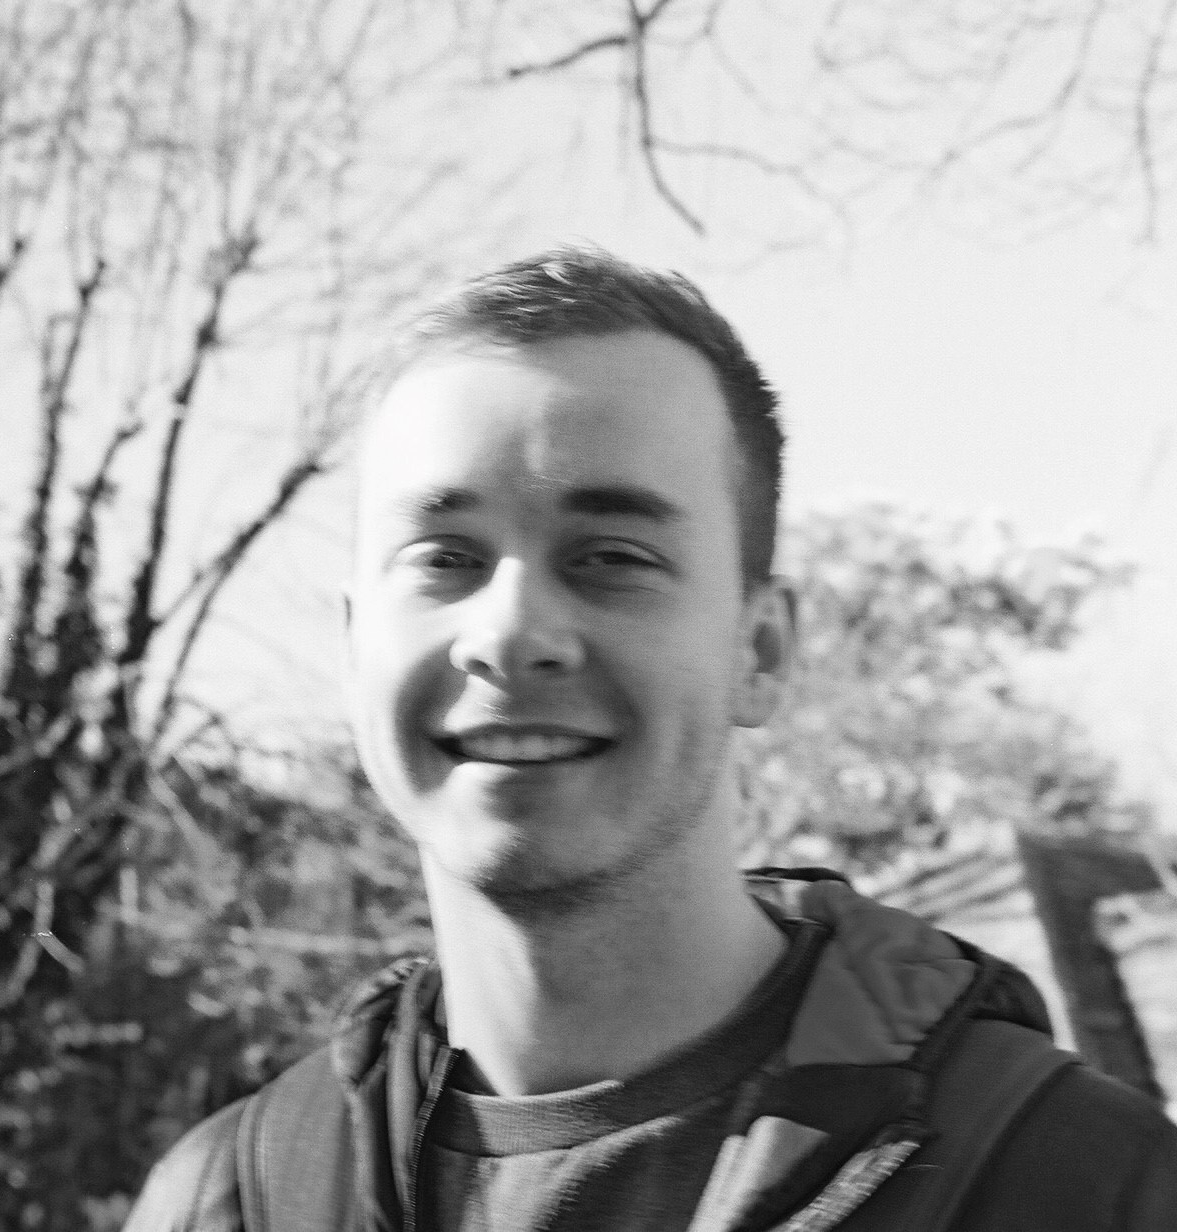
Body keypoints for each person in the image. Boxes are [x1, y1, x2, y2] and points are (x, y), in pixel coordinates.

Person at [125, 247, 1177, 1232]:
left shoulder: (1083, 1182)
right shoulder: (227, 1200)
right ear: (356, 647)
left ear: (760, 649)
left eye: (612, 555)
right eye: (445, 556)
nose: (510, 633)